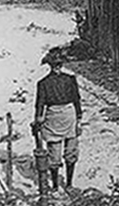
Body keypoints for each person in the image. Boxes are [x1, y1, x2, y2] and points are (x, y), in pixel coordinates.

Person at [33, 48, 82, 192]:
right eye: (56, 65)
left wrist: (78, 118)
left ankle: (65, 184)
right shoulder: (46, 83)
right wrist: (38, 119)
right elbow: (40, 104)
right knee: (58, 153)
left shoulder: (48, 82)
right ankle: (58, 185)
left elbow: (75, 100)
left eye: (59, 64)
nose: (58, 67)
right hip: (58, 116)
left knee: (67, 152)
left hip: (66, 116)